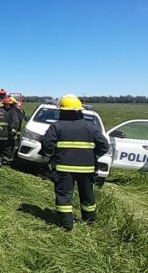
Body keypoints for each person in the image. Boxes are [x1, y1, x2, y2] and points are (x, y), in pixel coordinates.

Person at [41, 94, 109, 231]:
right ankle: (90, 221)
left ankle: (67, 225)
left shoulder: (57, 126)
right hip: (87, 169)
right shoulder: (91, 127)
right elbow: (104, 146)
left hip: (63, 169)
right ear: (79, 111)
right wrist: (92, 156)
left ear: (62, 111)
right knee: (87, 195)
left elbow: (47, 145)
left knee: (64, 196)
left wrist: (50, 156)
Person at [3, 97, 21, 161]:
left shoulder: (12, 112)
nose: (6, 105)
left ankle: (9, 158)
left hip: (10, 132)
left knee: (10, 145)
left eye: (7, 104)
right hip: (4, 132)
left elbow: (15, 122)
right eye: (5, 104)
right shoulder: (4, 111)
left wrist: (12, 132)